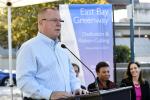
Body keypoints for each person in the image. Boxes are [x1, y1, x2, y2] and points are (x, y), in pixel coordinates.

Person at [16, 7, 87, 100]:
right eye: (54, 20)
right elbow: (24, 81)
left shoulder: (62, 48)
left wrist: (76, 88)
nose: (59, 24)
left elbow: (71, 75)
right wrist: (49, 94)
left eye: (60, 20)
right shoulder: (29, 47)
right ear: (41, 23)